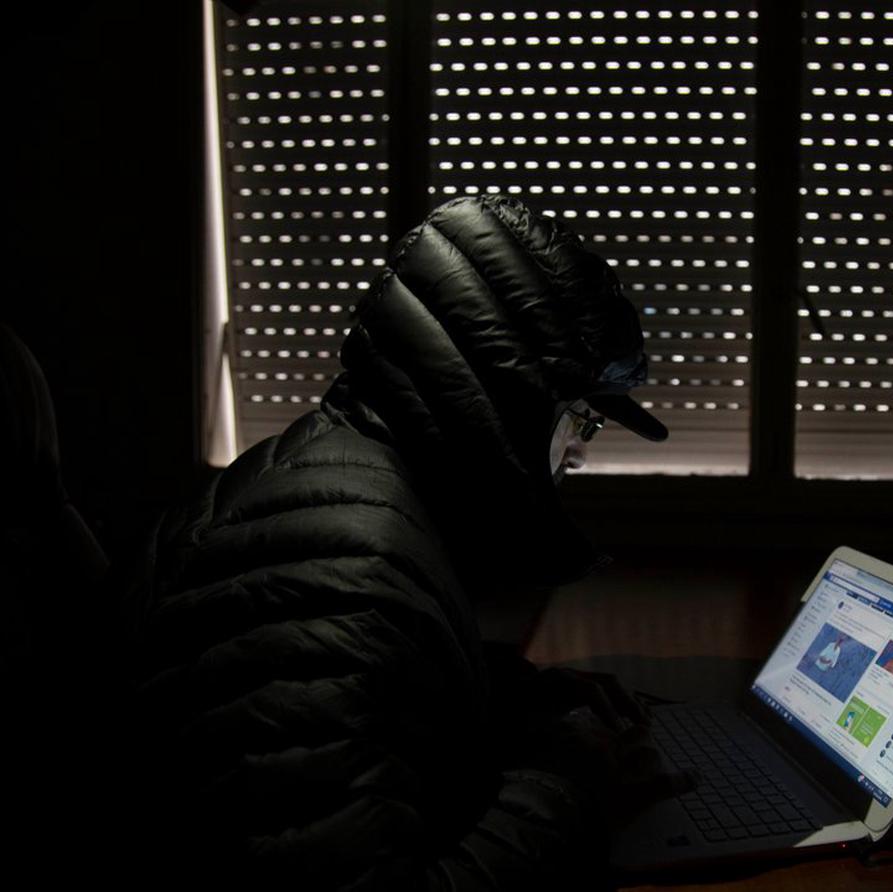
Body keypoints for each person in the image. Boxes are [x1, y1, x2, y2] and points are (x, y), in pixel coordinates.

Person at [120, 196, 687, 891]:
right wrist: (573, 793)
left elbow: (356, 697)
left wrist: (506, 698)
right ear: (513, 398)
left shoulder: (335, 470)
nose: (578, 452)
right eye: (581, 420)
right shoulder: (352, 573)